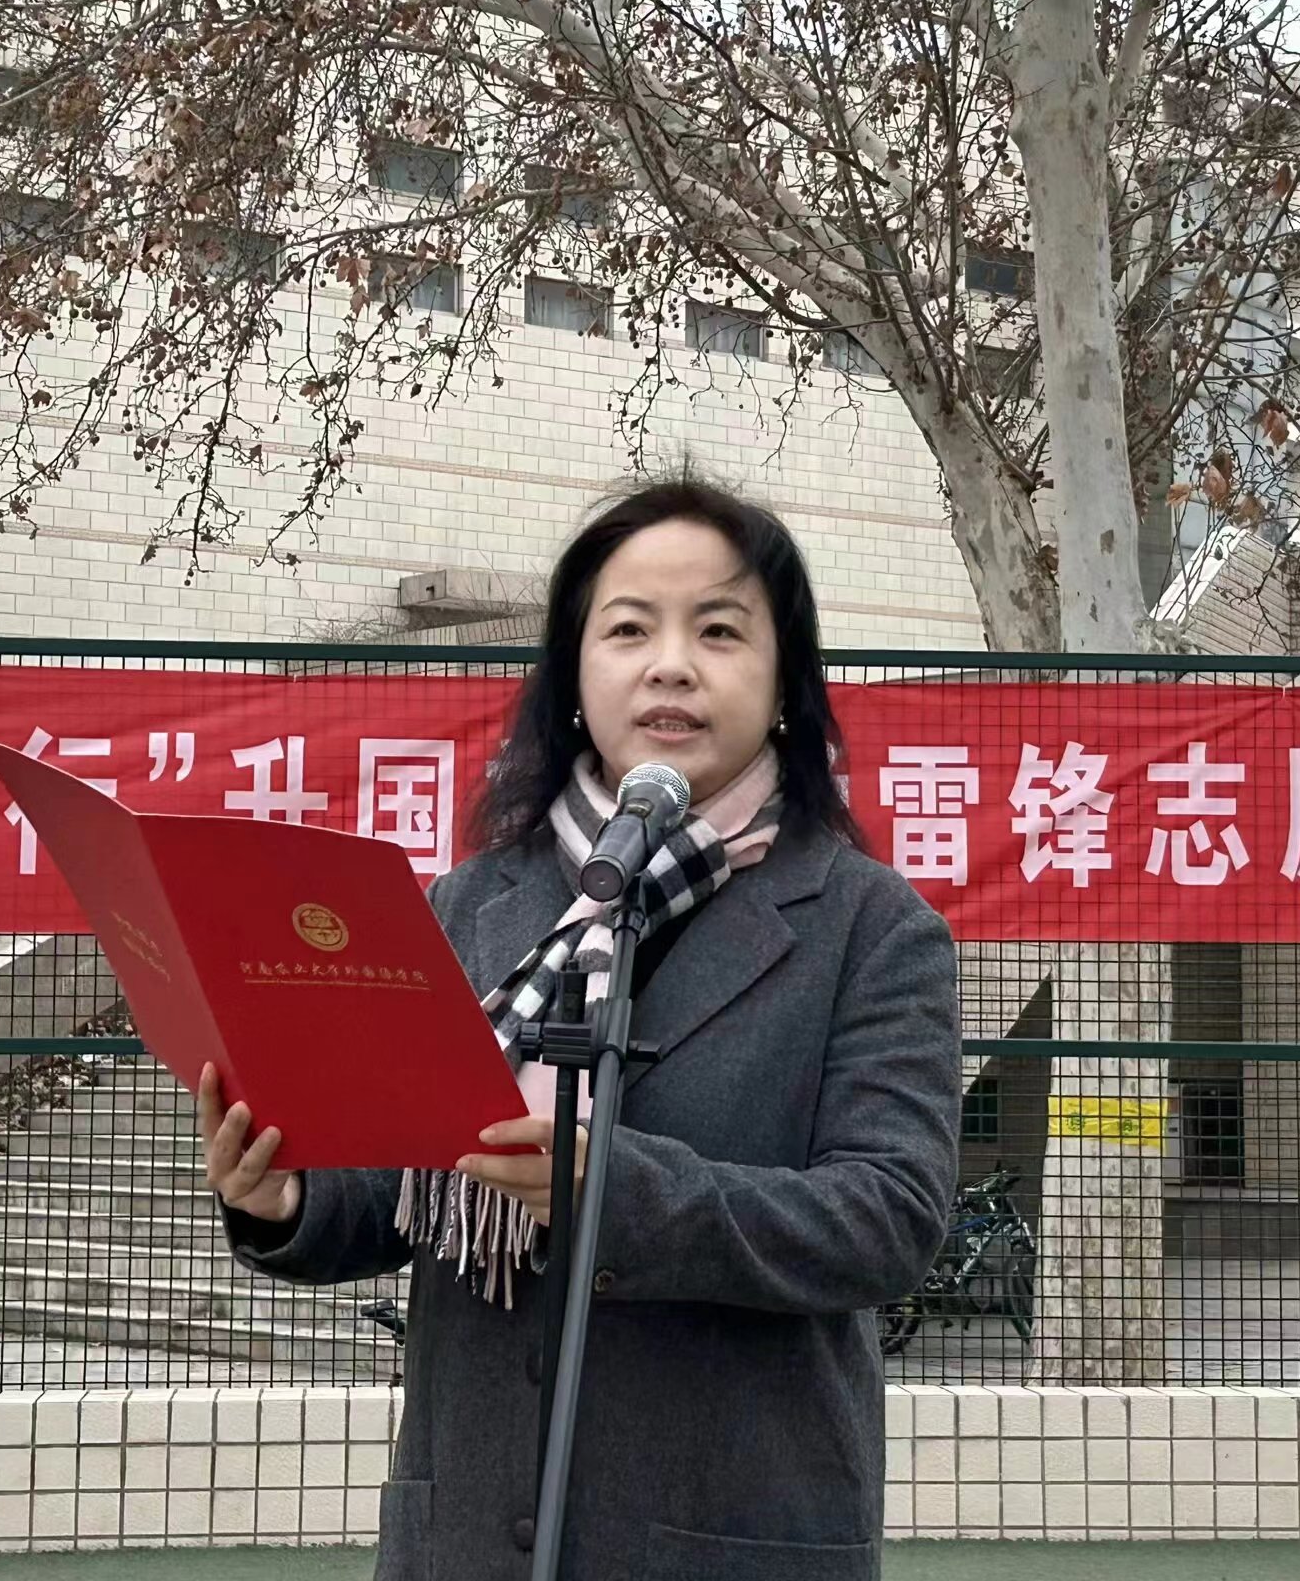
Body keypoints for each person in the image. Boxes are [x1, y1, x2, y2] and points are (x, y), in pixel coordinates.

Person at [198, 475, 962, 1580]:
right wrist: (286, 1197)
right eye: (628, 629)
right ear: (572, 675)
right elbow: (404, 1182)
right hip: (466, 1536)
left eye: (719, 631)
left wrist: (611, 1189)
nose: (670, 665)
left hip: (729, 1538)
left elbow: (887, 1219)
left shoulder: (870, 928)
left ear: (786, 684)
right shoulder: (471, 904)